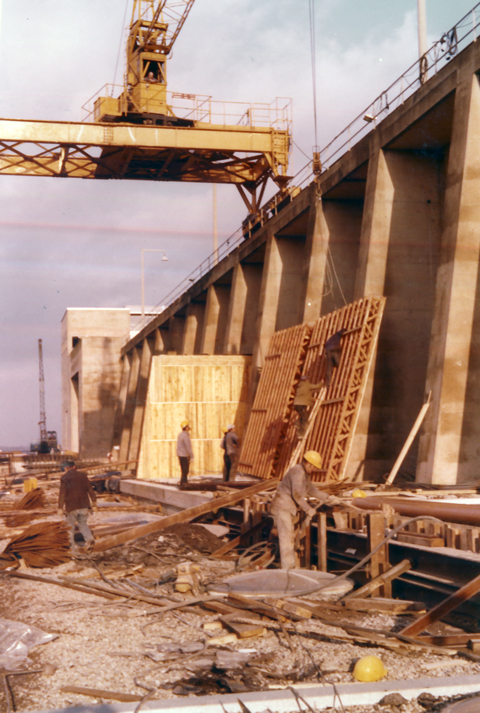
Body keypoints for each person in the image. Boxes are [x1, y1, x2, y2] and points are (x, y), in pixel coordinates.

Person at [270, 451, 341, 569]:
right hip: (282, 507)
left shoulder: (304, 474)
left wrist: (328, 497)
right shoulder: (297, 472)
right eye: (313, 467)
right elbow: (296, 494)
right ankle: (288, 570)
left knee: (287, 537)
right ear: (308, 464)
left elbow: (312, 490)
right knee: (287, 539)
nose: (313, 470)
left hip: (288, 508)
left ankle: (286, 565)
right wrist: (308, 509)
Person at [58, 461, 97, 553]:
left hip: (71, 507)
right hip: (84, 506)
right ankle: (89, 539)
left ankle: (72, 551)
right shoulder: (83, 476)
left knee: (70, 528)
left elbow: (62, 494)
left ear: (65, 468)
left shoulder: (64, 478)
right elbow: (90, 489)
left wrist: (60, 507)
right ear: (74, 467)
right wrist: (94, 503)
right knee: (83, 524)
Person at [177, 420, 194, 486]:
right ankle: (184, 484)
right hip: (184, 455)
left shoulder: (180, 435)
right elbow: (188, 447)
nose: (189, 427)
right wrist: (191, 456)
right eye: (188, 426)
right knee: (185, 471)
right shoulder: (185, 436)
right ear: (186, 427)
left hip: (180, 455)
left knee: (183, 471)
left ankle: (183, 483)